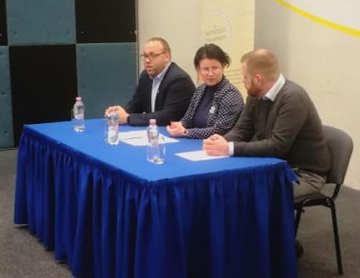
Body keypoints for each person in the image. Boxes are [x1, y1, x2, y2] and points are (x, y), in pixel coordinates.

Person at [203, 48, 331, 204]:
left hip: (303, 174)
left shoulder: (293, 98)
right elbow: (242, 129)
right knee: (230, 187)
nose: (242, 80)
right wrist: (222, 141)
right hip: (271, 165)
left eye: (245, 77)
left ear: (258, 79)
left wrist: (228, 148)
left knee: (246, 195)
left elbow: (278, 146)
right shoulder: (255, 94)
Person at [105, 37, 195, 126]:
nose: (147, 60)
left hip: (175, 132)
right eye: (145, 56)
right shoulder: (145, 76)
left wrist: (128, 118)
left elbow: (167, 117)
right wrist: (118, 113)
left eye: (153, 55)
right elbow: (137, 104)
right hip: (154, 131)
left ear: (166, 57)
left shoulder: (179, 79)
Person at [166, 43, 243, 139]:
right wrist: (179, 125)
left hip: (216, 144)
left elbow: (219, 130)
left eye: (215, 68)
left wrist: (186, 132)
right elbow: (188, 119)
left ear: (223, 67)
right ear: (198, 70)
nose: (210, 74)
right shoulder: (200, 90)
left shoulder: (231, 95)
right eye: (206, 69)